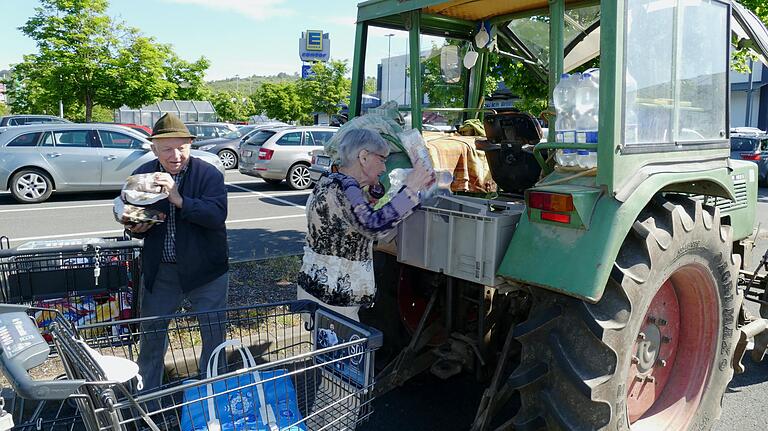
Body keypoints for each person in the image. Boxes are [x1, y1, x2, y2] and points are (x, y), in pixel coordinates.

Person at [119, 112, 229, 390]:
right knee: (152, 338)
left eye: (182, 147)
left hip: (207, 271)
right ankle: (148, 402)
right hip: (162, 271)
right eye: (167, 148)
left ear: (191, 146)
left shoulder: (209, 174)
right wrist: (136, 227)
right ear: (154, 148)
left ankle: (213, 397)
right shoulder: (141, 174)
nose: (175, 155)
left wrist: (178, 198)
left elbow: (216, 215)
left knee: (214, 336)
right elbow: (133, 214)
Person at [297, 128, 434, 321]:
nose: (384, 168)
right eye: (382, 159)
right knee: (345, 352)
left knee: (325, 351)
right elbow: (373, 226)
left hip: (314, 288)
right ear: (363, 157)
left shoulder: (329, 181)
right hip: (334, 300)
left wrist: (371, 194)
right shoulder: (347, 189)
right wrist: (411, 190)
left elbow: (348, 216)